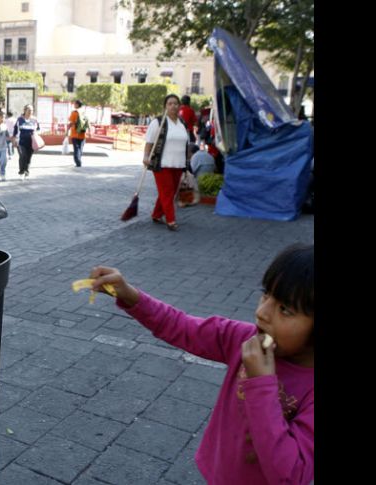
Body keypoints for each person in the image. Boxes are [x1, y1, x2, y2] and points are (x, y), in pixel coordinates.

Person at [87, 243, 314, 485]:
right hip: (219, 473)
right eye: (266, 294)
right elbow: (181, 326)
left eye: (285, 309)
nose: (262, 312)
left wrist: (261, 384)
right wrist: (130, 295)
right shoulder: (242, 338)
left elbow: (292, 475)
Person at [143, 94, 191, 231]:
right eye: (170, 103)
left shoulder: (182, 123)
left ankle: (157, 214)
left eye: (175, 103)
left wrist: (187, 162)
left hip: (178, 164)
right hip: (162, 164)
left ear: (179, 106)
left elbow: (186, 143)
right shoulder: (158, 122)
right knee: (167, 192)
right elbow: (149, 142)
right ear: (165, 106)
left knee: (168, 192)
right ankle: (171, 220)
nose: (173, 106)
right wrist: (146, 156)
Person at [12, 104, 40, 181]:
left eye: (32, 110)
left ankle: (26, 171)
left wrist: (36, 136)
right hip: (21, 142)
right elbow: (15, 130)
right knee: (23, 156)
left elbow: (38, 129)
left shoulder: (35, 120)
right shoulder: (20, 119)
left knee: (28, 158)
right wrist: (14, 139)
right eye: (29, 110)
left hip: (31, 143)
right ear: (25, 110)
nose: (30, 112)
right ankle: (21, 172)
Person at [68, 99, 89, 167]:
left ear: (77, 105)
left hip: (75, 133)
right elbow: (87, 123)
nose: (74, 105)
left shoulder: (74, 113)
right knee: (80, 148)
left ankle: (78, 161)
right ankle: (79, 160)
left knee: (76, 148)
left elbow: (71, 122)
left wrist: (67, 130)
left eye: (74, 104)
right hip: (83, 134)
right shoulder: (84, 112)